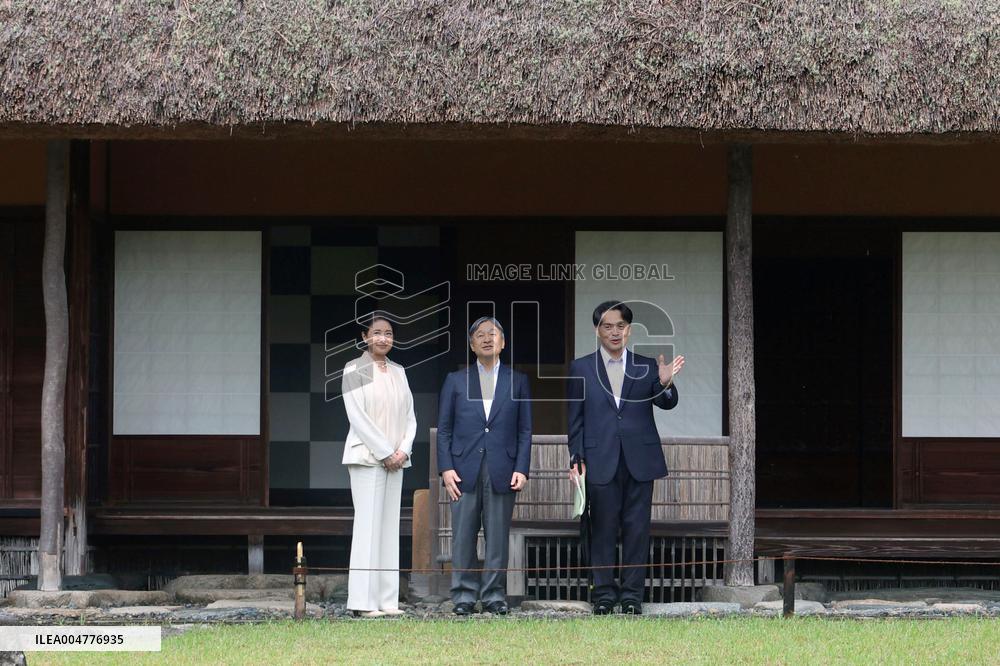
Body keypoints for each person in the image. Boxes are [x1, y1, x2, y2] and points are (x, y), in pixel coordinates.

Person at [567, 300, 685, 615]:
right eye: (607, 326)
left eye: (620, 326)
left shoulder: (647, 366)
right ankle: (604, 595)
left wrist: (665, 383)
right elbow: (575, 419)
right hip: (598, 458)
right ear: (597, 330)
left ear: (629, 330)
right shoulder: (581, 367)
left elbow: (667, 403)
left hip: (639, 459)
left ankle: (632, 595)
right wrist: (575, 459)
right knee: (602, 528)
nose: (614, 332)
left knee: (637, 529)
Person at [437, 317, 532, 615]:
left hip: (502, 467)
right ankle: (463, 596)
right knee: (463, 535)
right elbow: (444, 430)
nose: (487, 339)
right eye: (480, 335)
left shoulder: (517, 380)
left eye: (493, 334)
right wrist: (446, 468)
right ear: (471, 344)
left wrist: (522, 468)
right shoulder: (455, 380)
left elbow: (524, 430)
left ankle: (493, 596)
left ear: (503, 342)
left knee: (497, 536)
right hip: (462, 469)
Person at [341, 313, 416, 618]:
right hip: (367, 458)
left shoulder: (399, 371)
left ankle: (387, 600)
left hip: (396, 461)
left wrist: (402, 450)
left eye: (388, 333)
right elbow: (357, 417)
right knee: (368, 526)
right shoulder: (355, 368)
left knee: (388, 527)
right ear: (364, 336)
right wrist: (385, 451)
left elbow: (411, 416)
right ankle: (363, 602)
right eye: (377, 333)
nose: (383, 338)